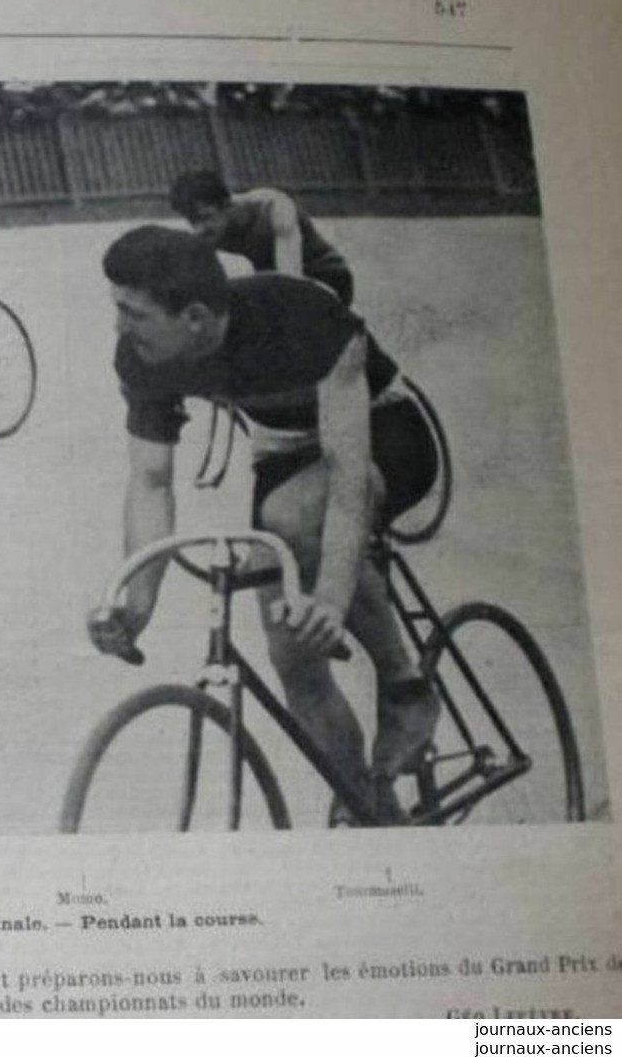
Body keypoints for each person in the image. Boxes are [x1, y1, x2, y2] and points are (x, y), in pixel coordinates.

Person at [87, 226, 441, 825]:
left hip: (384, 436)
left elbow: (348, 475)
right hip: (286, 458)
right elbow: (150, 482)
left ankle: (406, 687)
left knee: (291, 520)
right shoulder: (143, 358)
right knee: (291, 652)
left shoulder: (300, 315)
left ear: (196, 317)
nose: (119, 327)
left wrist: (330, 596)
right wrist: (137, 601)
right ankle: (366, 804)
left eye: (133, 313)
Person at [169, 169, 355, 305]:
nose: (200, 229)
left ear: (228, 205)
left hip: (328, 278)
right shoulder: (210, 229)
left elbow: (291, 284)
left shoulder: (273, 208)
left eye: (205, 217)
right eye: (193, 221)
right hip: (278, 284)